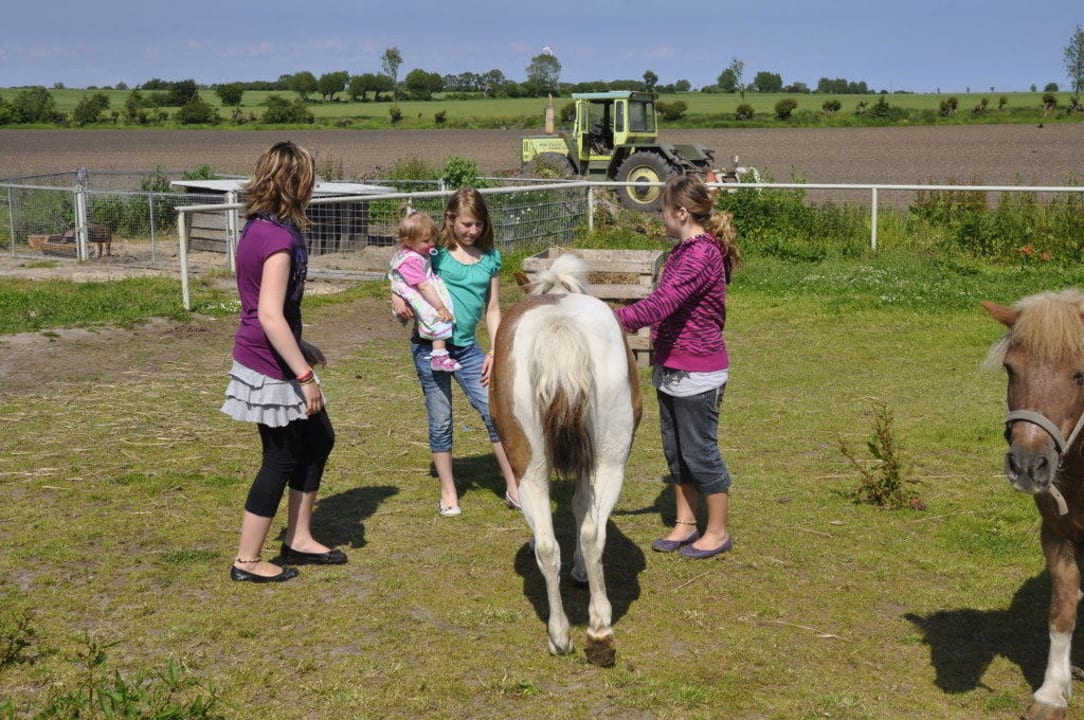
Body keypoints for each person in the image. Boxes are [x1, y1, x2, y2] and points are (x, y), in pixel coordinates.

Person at [220, 141, 347, 583]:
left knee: (318, 439)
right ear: (296, 183)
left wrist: (301, 345)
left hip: (277, 352)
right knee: (280, 457)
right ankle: (247, 560)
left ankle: (299, 538)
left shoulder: (262, 227)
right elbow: (270, 315)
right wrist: (305, 375)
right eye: (310, 178)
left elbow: (267, 310)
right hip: (268, 365)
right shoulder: (274, 238)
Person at [614, 174, 738, 560]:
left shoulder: (701, 255)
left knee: (701, 452)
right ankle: (686, 523)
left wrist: (607, 319)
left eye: (663, 212)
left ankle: (717, 531)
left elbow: (661, 304)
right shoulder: (681, 252)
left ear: (681, 213)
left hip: (698, 372)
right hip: (671, 367)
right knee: (677, 453)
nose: (660, 219)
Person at [391, 187, 519, 516]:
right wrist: (395, 296)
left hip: (468, 350)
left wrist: (496, 350)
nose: (471, 231)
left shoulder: (490, 258)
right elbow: (404, 269)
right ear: (450, 219)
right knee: (441, 420)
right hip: (429, 348)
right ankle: (449, 490)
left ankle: (514, 485)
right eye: (465, 224)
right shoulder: (437, 253)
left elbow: (492, 309)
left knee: (495, 414)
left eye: (477, 224)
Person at [388, 205, 461, 372]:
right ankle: (439, 355)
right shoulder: (412, 259)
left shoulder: (412, 253)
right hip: (418, 290)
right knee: (437, 316)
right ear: (408, 241)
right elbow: (423, 285)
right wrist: (440, 306)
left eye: (432, 239)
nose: (431, 244)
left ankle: (439, 353)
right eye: (426, 241)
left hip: (416, 287)